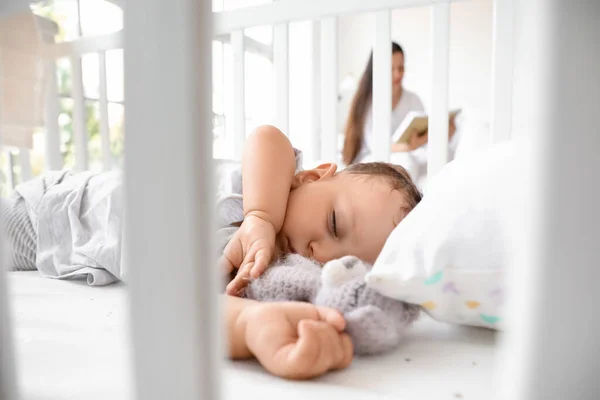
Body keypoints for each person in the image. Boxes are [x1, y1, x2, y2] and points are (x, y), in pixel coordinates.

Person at [2, 125, 422, 379]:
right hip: (54, 208)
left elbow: (196, 311)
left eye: (336, 261)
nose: (317, 251)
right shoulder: (267, 186)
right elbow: (266, 137)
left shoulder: (259, 272)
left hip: (66, 252)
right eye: (333, 224)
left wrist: (255, 327)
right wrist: (260, 215)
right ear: (311, 177)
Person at [342, 42, 426, 165]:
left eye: (401, 68)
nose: (398, 74)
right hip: (373, 160)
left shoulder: (413, 100)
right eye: (391, 69)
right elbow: (376, 146)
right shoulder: (367, 103)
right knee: (404, 161)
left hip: (407, 157)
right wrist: (408, 146)